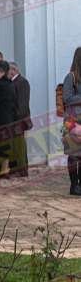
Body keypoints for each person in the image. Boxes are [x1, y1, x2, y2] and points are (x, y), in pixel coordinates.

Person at [62, 46, 81, 195]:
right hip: (72, 121)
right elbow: (67, 98)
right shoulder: (71, 77)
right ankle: (74, 186)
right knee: (74, 154)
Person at [8, 62, 32, 177]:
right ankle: (15, 169)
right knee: (14, 145)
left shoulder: (22, 82)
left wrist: (16, 118)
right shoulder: (13, 82)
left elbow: (22, 104)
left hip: (18, 120)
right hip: (14, 120)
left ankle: (21, 170)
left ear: (13, 70)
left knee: (19, 146)